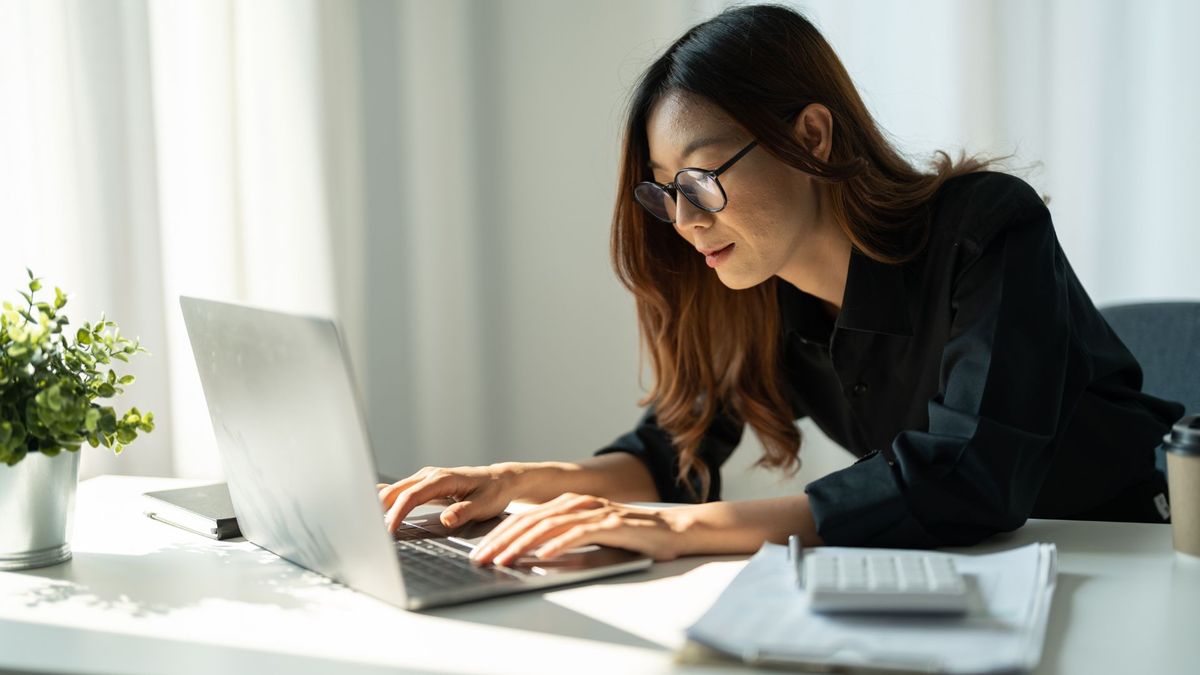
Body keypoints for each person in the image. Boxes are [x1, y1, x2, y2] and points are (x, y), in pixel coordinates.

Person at [377, 4, 1183, 568]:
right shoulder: (760, 288)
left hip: (1140, 554)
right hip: (982, 575)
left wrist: (688, 529)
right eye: (664, 192)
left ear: (811, 135)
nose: (685, 220)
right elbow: (672, 450)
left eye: (699, 178)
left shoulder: (983, 227)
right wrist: (513, 480)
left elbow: (968, 472)